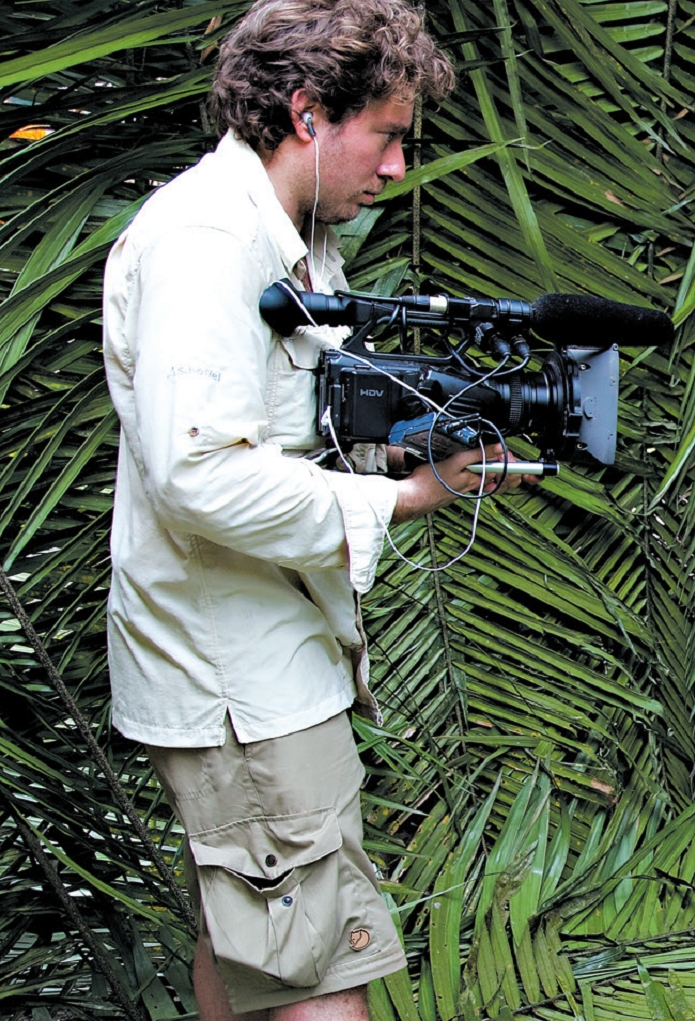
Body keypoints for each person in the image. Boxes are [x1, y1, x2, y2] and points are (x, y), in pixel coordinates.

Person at [101, 3, 519, 1017]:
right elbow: (197, 472)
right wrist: (403, 496)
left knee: (251, 942)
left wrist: (411, 435)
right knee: (324, 966)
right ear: (306, 113)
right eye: (387, 134)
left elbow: (277, 428)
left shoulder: (292, 243)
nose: (397, 167)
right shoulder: (208, 242)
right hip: (234, 673)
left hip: (260, 654)